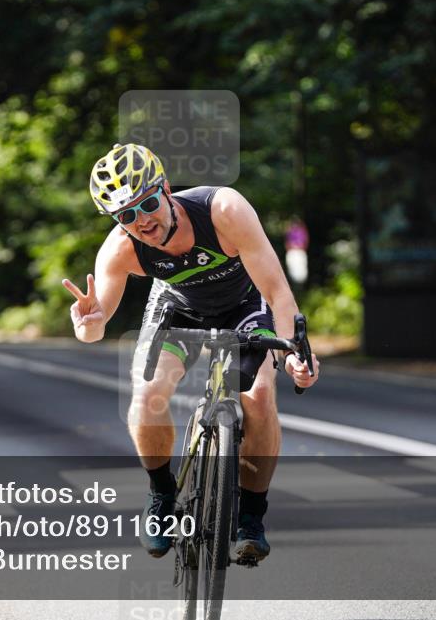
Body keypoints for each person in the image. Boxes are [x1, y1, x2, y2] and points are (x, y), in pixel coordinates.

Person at [62, 143, 319, 563]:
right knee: (146, 394)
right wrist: (86, 324)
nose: (141, 221)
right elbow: (95, 327)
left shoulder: (222, 210)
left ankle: (251, 518)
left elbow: (276, 291)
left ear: (164, 187)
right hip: (178, 310)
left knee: (258, 398)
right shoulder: (121, 249)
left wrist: (295, 352)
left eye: (147, 203)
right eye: (126, 215)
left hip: (245, 305)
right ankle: (161, 496)